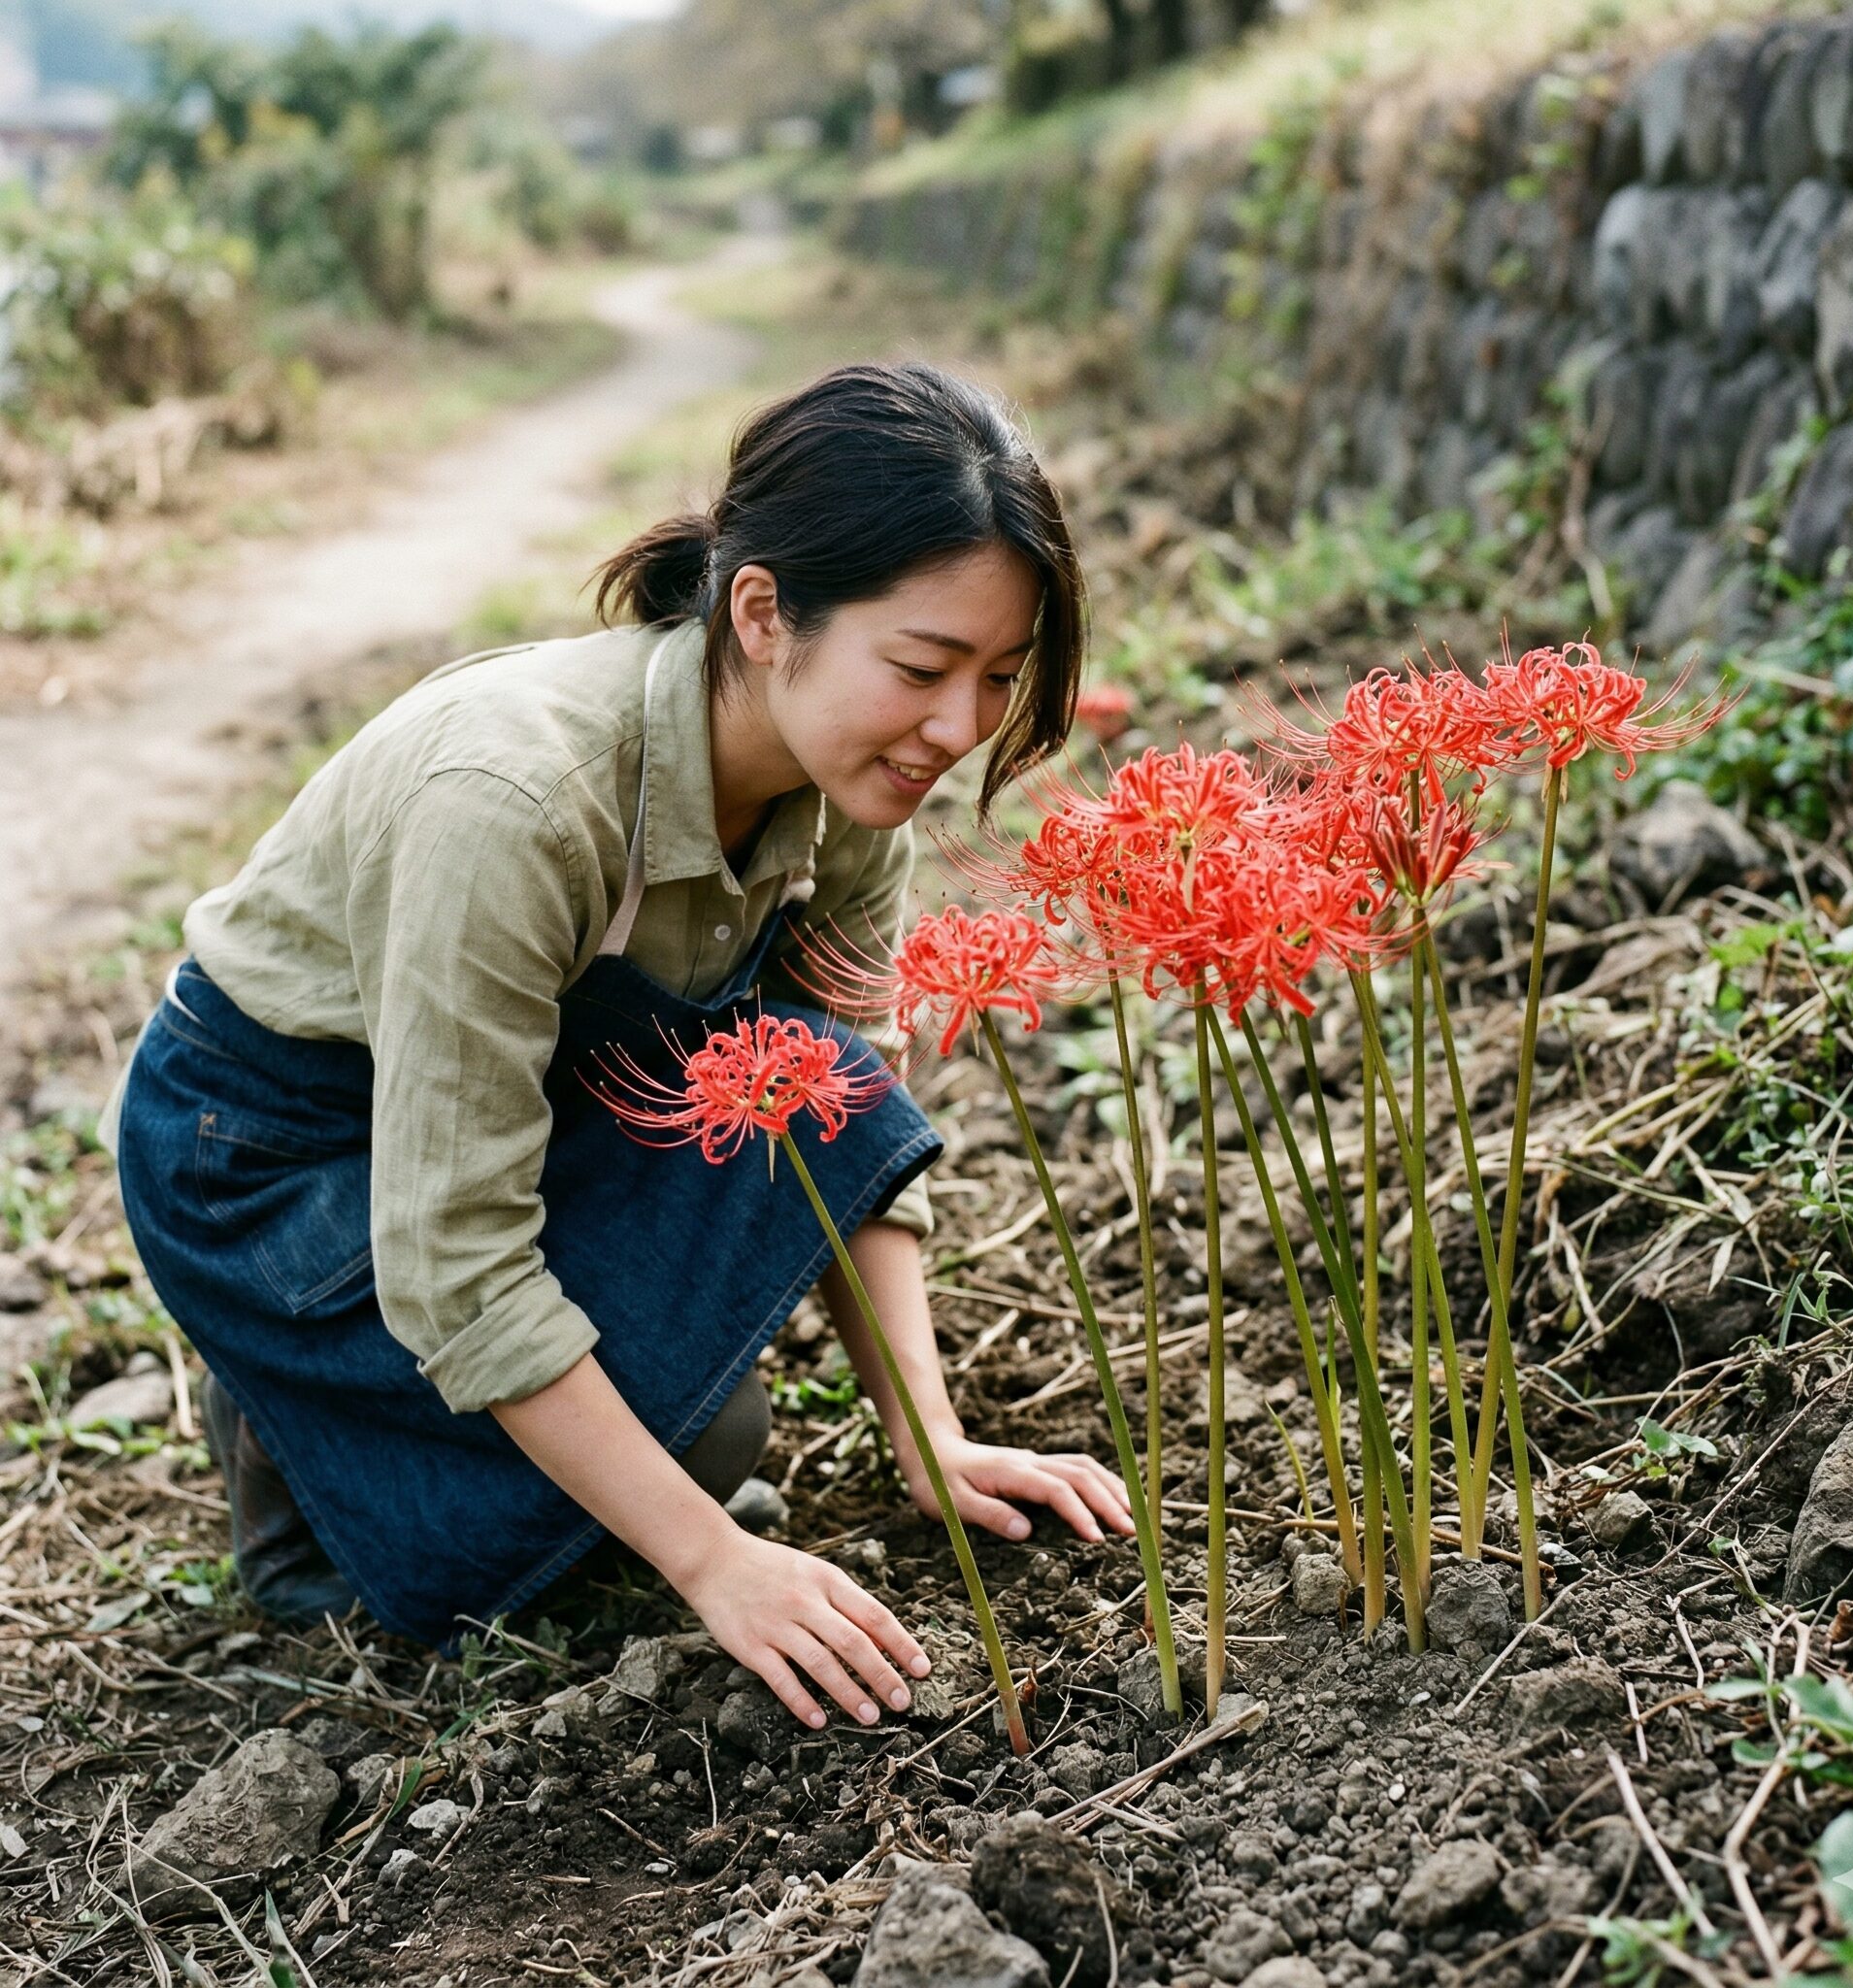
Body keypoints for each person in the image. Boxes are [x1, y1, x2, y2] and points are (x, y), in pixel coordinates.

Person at [105, 361, 1136, 1736]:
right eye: (922, 667)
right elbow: (459, 1261)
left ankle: (404, 1427)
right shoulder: (518, 803)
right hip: (268, 1151)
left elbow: (835, 1113)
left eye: (998, 678)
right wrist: (715, 1566)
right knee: (700, 1455)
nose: (959, 730)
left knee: (687, 1423)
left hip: (542, 1091)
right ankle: (296, 1442)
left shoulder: (854, 787)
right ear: (762, 613)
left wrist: (928, 1441)